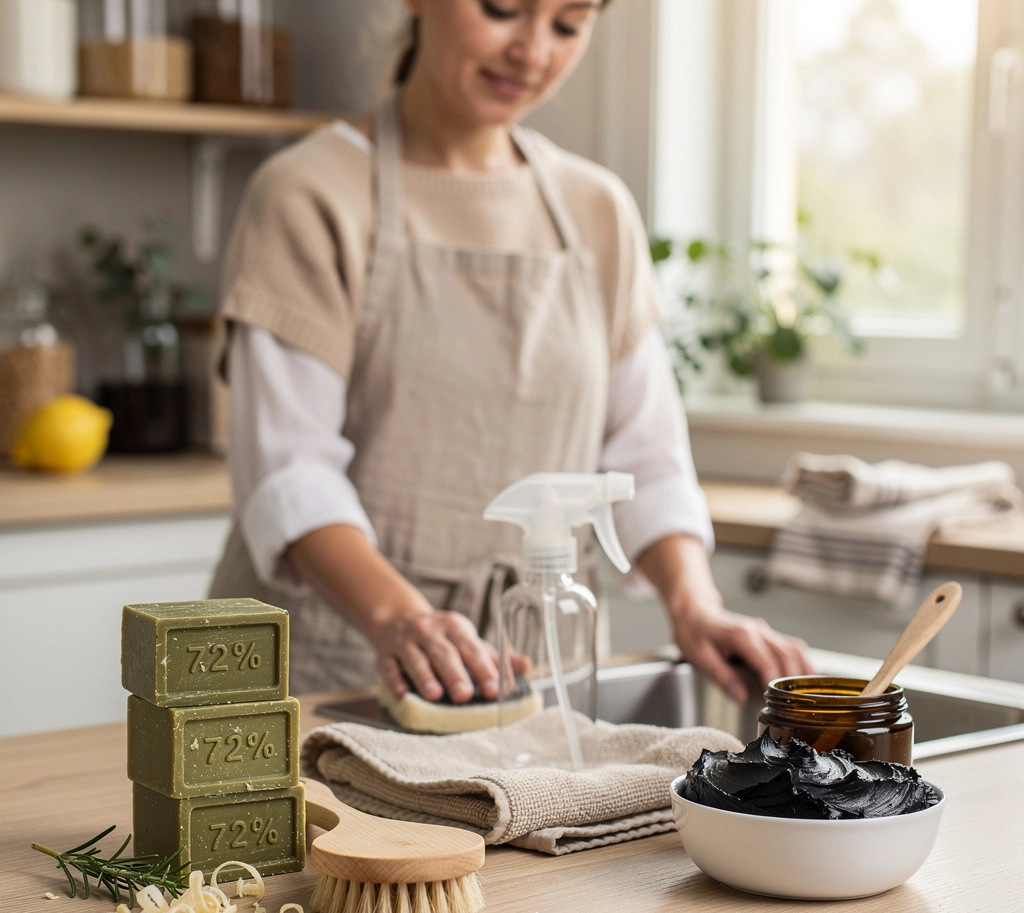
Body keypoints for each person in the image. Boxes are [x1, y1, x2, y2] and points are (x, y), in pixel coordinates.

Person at [210, 0, 814, 705]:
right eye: (502, 9)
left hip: (537, 669)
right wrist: (401, 618)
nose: (532, 51)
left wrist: (695, 603)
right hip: (333, 663)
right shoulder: (308, 194)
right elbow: (290, 472)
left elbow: (644, 461)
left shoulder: (596, 210)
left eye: (568, 23)